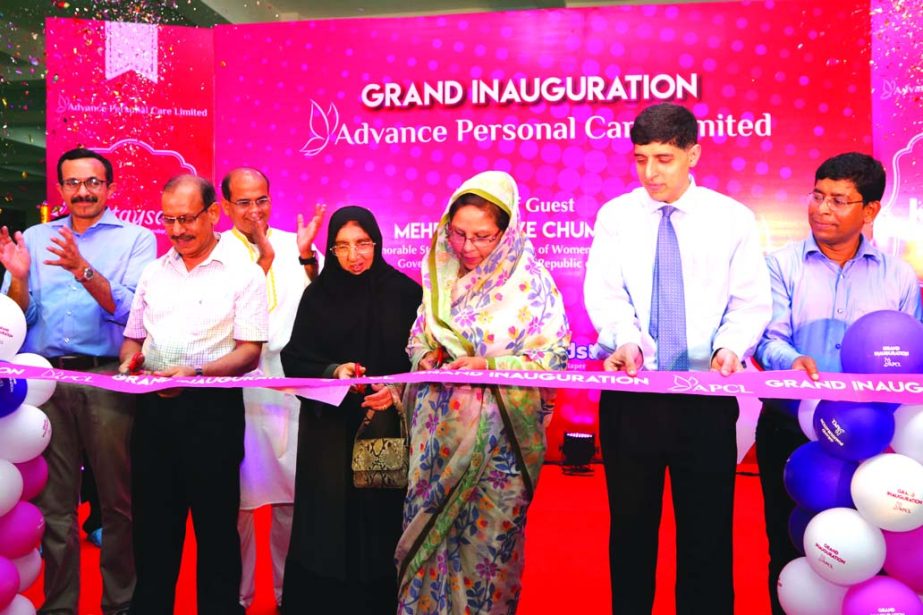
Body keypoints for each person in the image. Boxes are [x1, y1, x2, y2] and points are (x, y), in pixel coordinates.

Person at [584, 103, 772, 614]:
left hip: (706, 398)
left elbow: (750, 301)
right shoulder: (616, 217)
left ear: (694, 154)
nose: (650, 173)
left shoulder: (731, 219)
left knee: (707, 538)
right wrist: (625, 341)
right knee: (630, 535)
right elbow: (605, 295)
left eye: (664, 158)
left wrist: (730, 348)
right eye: (641, 158)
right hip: (633, 398)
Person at [753, 152, 923, 614]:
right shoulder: (779, 265)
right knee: (791, 544)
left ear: (870, 210)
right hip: (792, 430)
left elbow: (913, 360)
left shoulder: (898, 275)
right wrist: (794, 363)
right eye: (818, 195)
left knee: (868, 554)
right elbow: (766, 339)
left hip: (874, 441)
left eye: (839, 200)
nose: (822, 209)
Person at [396, 170, 571, 614]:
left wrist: (488, 365)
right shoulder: (443, 280)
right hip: (437, 447)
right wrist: (429, 356)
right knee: (430, 552)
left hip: (499, 454)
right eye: (458, 233)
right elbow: (417, 339)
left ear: (507, 234)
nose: (467, 247)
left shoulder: (532, 286)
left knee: (486, 556)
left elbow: (552, 359)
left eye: (483, 237)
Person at [0, 147, 155, 615]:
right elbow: (18, 317)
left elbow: (132, 312)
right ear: (61, 188)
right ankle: (60, 606)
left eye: (93, 182)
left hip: (109, 378)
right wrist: (21, 279)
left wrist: (80, 269)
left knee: (117, 503)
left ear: (110, 187)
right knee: (55, 508)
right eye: (73, 183)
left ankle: (121, 605)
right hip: (44, 382)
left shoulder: (137, 239)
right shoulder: (35, 236)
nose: (83, 192)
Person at [119, 174, 268, 615]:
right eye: (169, 220)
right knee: (152, 529)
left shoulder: (244, 273)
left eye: (187, 219)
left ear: (212, 214)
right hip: (152, 414)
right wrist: (132, 361)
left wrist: (196, 373)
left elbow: (249, 353)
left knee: (216, 530)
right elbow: (133, 339)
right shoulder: (153, 272)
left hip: (212, 414)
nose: (178, 230)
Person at [279, 205, 422, 614]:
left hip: (383, 426)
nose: (353, 255)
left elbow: (423, 361)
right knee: (324, 523)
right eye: (341, 246)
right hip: (328, 431)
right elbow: (295, 359)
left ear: (377, 242)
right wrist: (335, 370)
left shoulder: (406, 293)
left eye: (362, 244)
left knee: (378, 520)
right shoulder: (318, 294)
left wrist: (395, 391)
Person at [219, 167, 325, 610]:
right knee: (237, 505)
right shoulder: (214, 250)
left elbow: (325, 300)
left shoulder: (294, 242)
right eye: (243, 202)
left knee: (291, 501)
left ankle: (288, 596)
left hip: (290, 385)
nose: (254, 210)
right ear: (224, 207)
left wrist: (307, 259)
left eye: (261, 199)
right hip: (235, 385)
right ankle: (238, 599)